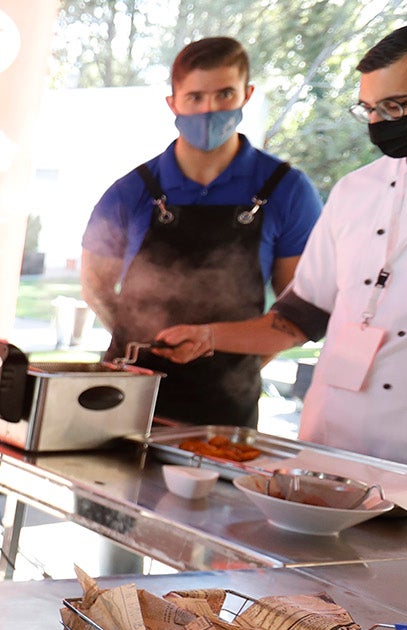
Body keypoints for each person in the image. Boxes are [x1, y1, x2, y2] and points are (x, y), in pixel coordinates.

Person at [156, 19, 407, 479]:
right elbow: (300, 316)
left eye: (396, 106)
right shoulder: (358, 189)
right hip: (330, 447)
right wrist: (209, 336)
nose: (380, 123)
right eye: (369, 109)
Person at [80, 36, 323, 427]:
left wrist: (234, 362)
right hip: (125, 398)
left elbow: (294, 314)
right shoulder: (131, 191)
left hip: (224, 412)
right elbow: (95, 287)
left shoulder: (288, 190)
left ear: (247, 94)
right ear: (172, 103)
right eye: (195, 97)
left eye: (224, 94)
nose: (209, 109)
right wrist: (141, 342)